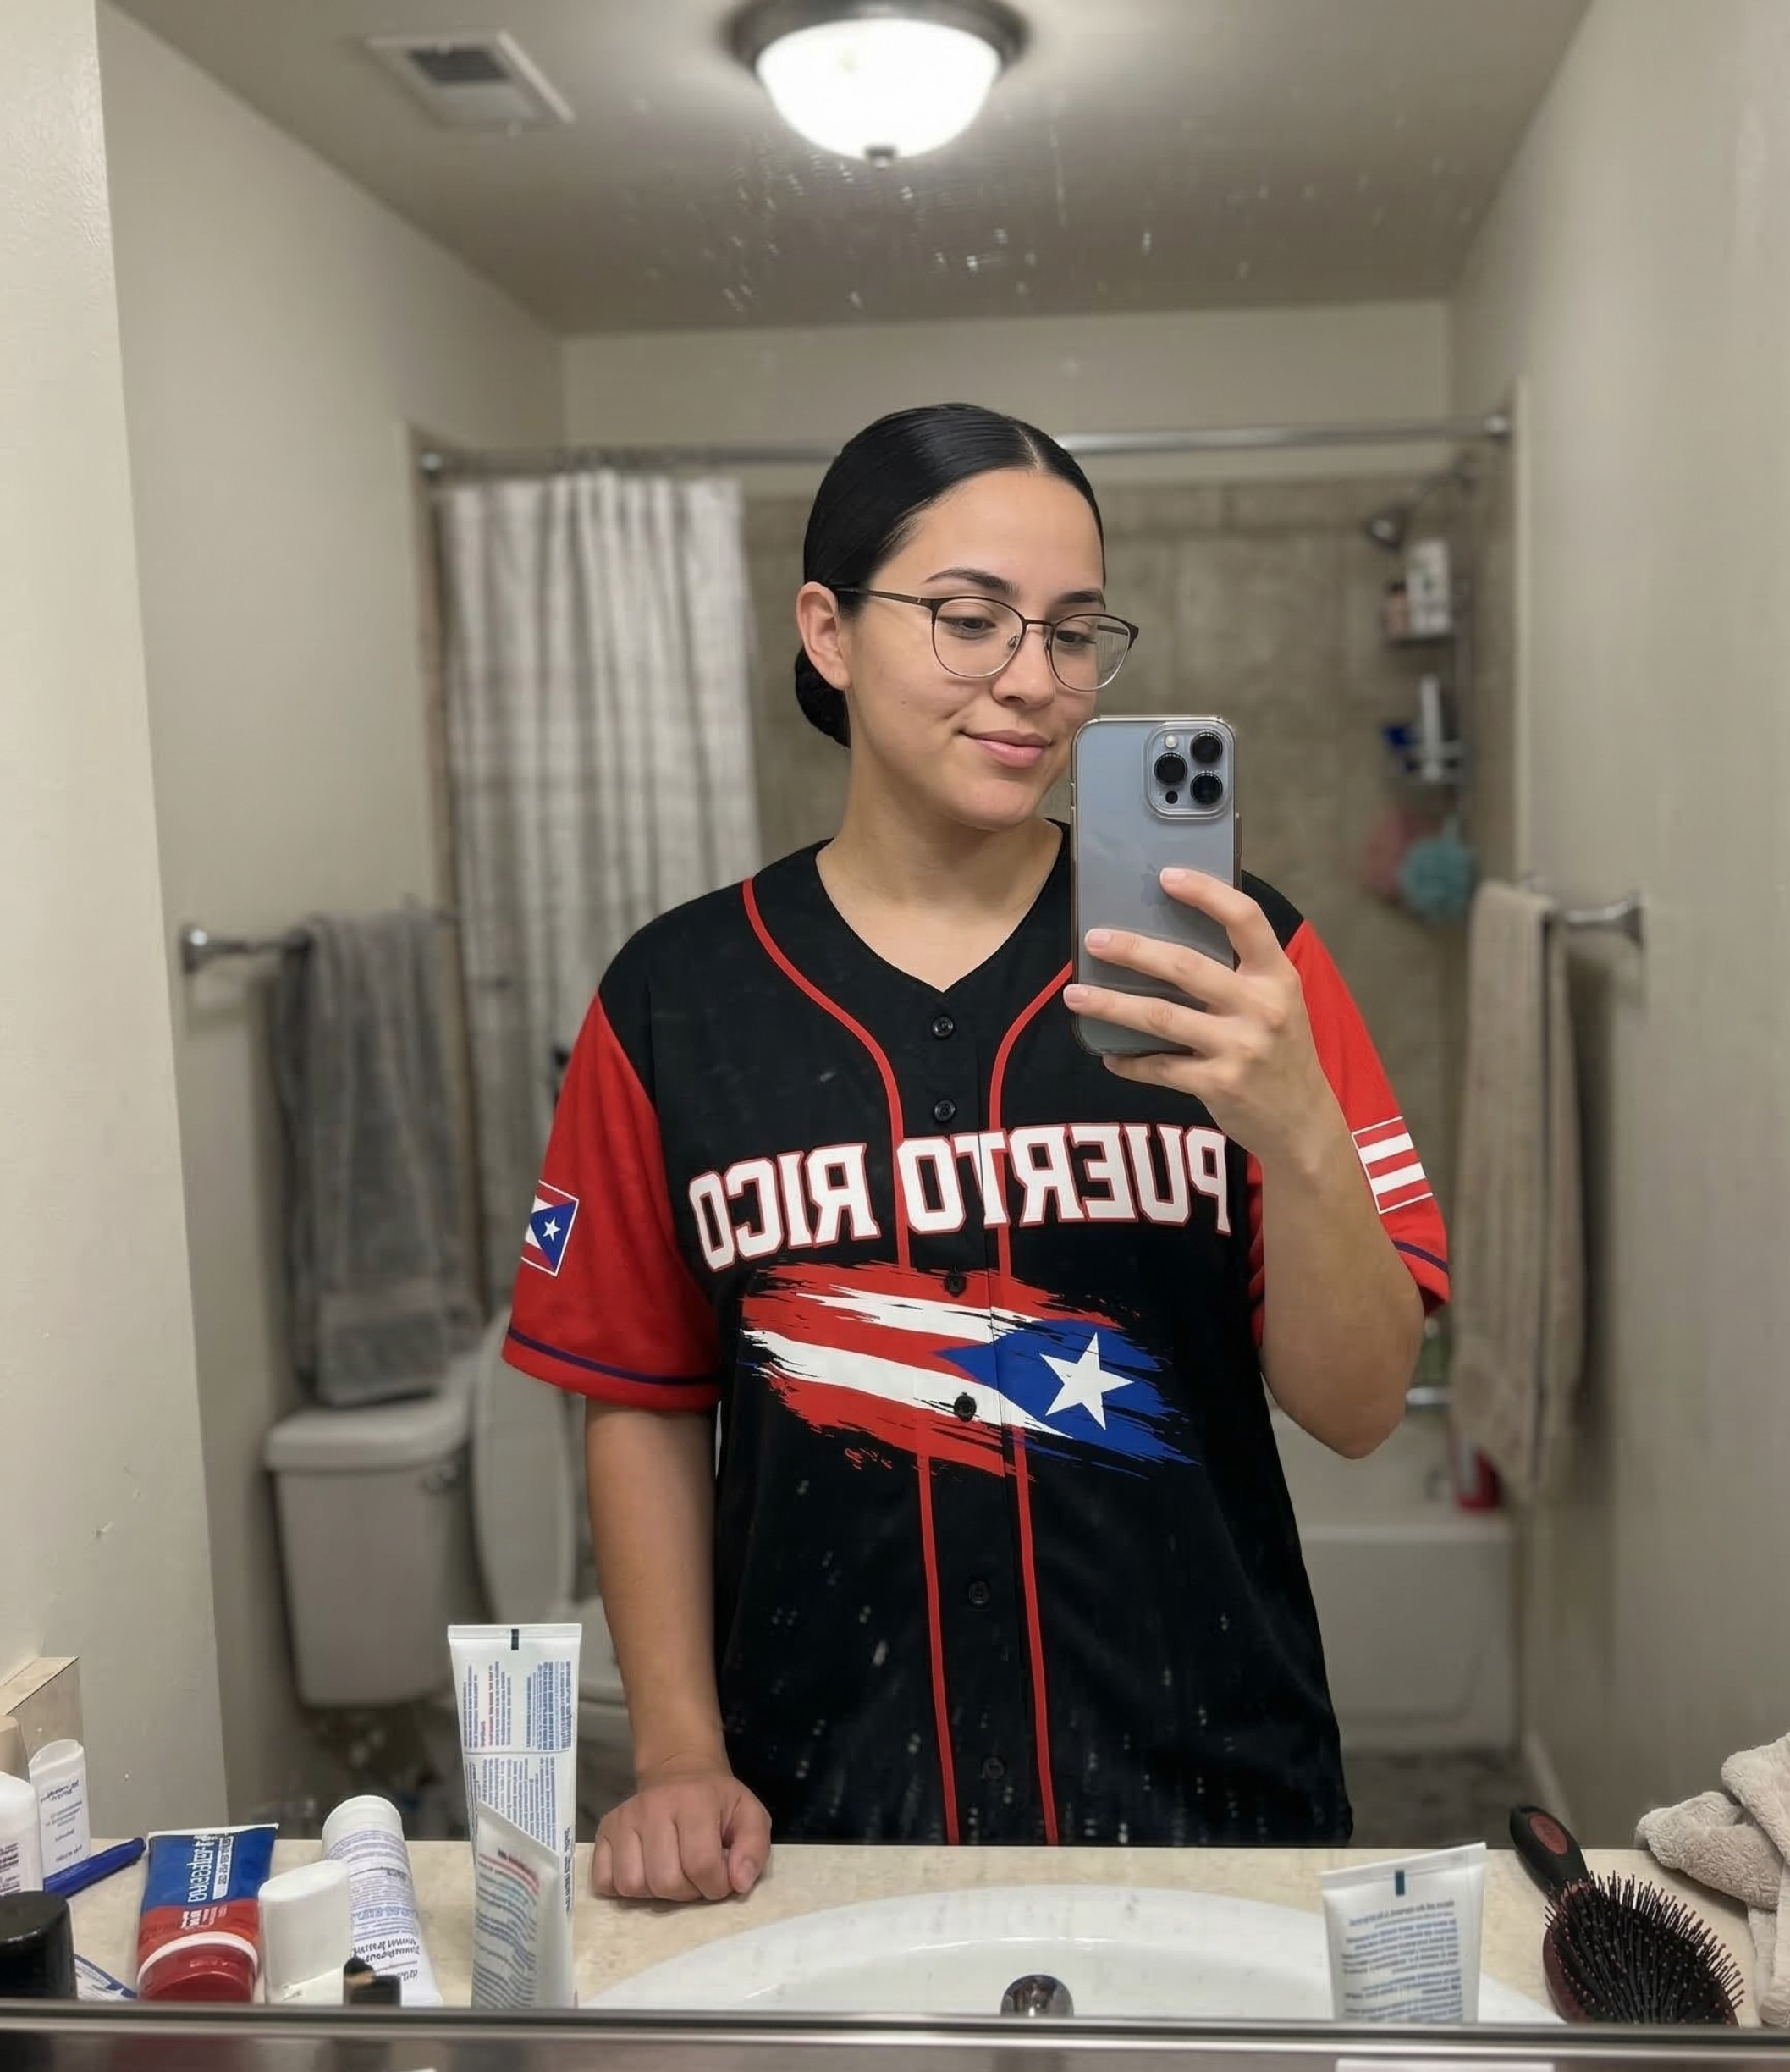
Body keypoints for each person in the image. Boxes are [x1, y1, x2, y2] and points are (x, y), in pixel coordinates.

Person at [503, 403, 1449, 1903]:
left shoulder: (1235, 964)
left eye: (1075, 634)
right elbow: (639, 1395)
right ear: (828, 630)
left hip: (1212, 1802)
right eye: (968, 619)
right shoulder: (677, 1001)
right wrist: (679, 1752)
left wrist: (1301, 1134)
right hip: (815, 1815)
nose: (1032, 680)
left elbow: (1357, 1408)